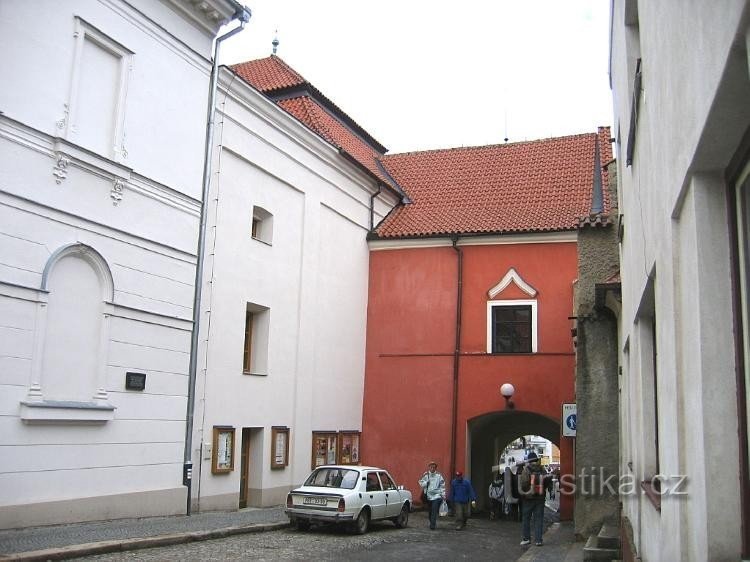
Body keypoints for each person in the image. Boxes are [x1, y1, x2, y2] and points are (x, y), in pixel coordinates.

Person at [518, 451, 549, 547]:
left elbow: (523, 483)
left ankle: (526, 539)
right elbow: (547, 482)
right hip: (540, 498)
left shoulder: (526, 469)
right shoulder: (542, 469)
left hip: (528, 498)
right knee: (538, 518)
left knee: (526, 518)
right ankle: (538, 540)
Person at [418, 461, 446, 530]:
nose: (432, 468)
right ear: (429, 467)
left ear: (436, 468)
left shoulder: (439, 476)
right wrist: (426, 483)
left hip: (437, 496)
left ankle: (432, 525)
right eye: (431, 467)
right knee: (430, 511)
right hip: (428, 496)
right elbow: (421, 483)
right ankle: (431, 521)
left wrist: (443, 495)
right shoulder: (426, 475)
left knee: (434, 509)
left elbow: (442, 486)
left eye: (434, 467)